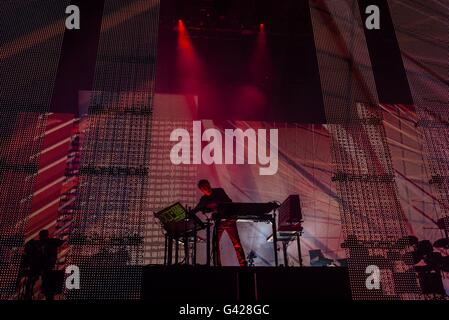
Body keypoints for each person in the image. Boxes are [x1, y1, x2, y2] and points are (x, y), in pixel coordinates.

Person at [192, 179, 247, 267]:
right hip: (219, 223)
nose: (207, 188)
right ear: (201, 190)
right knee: (215, 244)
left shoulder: (219, 191)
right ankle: (217, 265)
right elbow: (196, 209)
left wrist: (215, 206)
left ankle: (243, 264)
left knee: (236, 243)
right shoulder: (204, 199)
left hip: (229, 220)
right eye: (204, 187)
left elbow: (229, 202)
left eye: (207, 185)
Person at [21, 230, 64, 300]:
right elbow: (27, 249)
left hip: (45, 267)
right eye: (43, 235)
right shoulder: (36, 243)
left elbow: (60, 242)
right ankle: (28, 294)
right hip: (39, 267)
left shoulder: (51, 242)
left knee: (47, 285)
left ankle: (28, 294)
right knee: (34, 281)